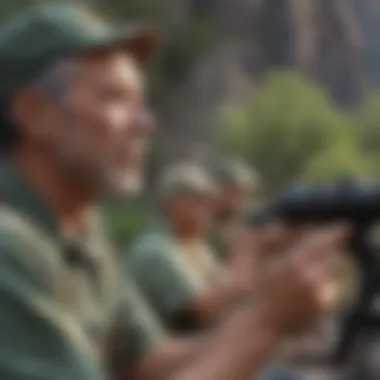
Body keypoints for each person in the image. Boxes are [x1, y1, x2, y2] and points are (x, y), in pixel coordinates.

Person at [0, 4, 347, 380]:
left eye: (140, 102)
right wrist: (265, 323)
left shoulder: (81, 232)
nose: (145, 124)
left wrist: (271, 310)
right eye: (114, 98)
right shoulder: (10, 248)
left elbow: (148, 361)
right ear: (35, 114)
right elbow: (207, 316)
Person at [128, 162, 260, 330]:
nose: (211, 210)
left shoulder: (197, 246)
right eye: (202, 202)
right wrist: (247, 252)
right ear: (176, 204)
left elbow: (229, 295)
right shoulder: (155, 251)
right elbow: (205, 311)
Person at [209, 157, 260, 259]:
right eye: (230, 191)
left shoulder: (247, 227)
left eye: (241, 194)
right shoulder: (202, 223)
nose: (235, 199)